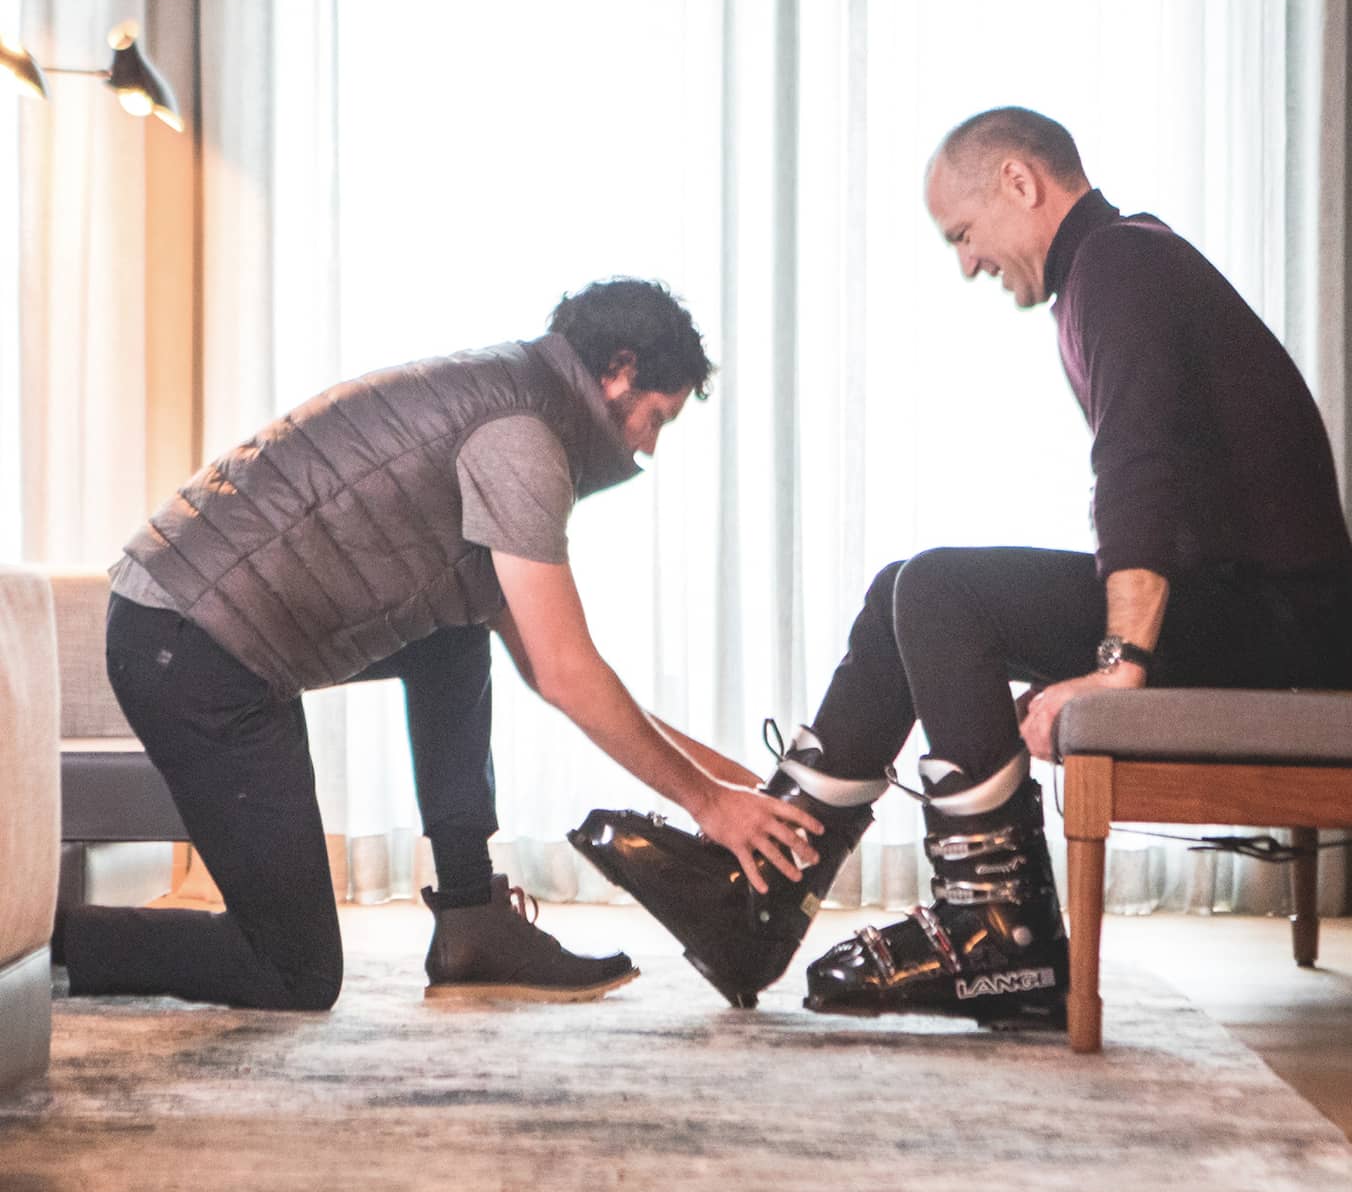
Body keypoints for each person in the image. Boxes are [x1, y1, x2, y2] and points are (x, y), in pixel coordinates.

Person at [572, 109, 1352, 1027]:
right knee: (903, 587)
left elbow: (1139, 472)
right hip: (1238, 603)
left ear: (1019, 184)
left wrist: (1119, 672)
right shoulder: (1115, 265)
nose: (967, 262)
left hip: (1279, 623)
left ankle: (1001, 934)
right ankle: (757, 892)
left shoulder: (1116, 263)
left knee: (945, 589)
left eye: (963, 234)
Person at [58, 278, 820, 1012]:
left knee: (454, 632)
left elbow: (546, 659)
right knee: (294, 970)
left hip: (198, 632)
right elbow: (565, 672)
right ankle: (53, 939)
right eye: (659, 417)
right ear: (619, 372)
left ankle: (470, 920)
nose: (651, 448)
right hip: (190, 651)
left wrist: (732, 785)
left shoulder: (513, 397)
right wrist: (708, 803)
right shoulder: (523, 437)